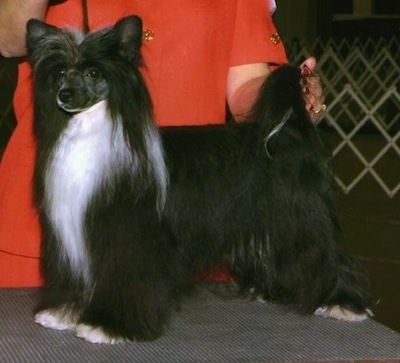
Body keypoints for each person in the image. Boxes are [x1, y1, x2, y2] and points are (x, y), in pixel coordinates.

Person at [0, 0, 325, 287]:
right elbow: (9, 38)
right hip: (49, 235)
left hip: (181, 228)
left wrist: (284, 103)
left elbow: (245, 88)